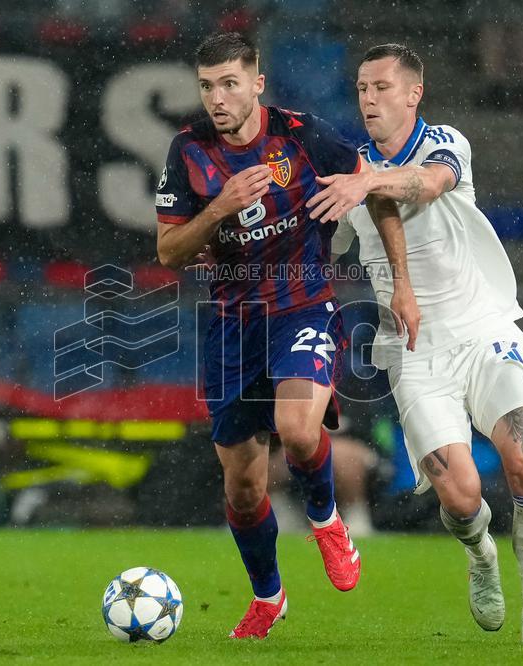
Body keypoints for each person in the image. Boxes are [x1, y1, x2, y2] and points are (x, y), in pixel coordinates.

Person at [307, 43, 523, 646]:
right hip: (414, 352)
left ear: (413, 93)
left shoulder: (444, 141)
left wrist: (364, 183)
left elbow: (428, 184)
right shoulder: (351, 181)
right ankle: (480, 555)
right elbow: (316, 257)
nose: (368, 99)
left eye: (380, 87)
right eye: (361, 89)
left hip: (485, 331)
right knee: (461, 493)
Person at [155, 31, 365, 639]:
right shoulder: (188, 150)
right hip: (231, 324)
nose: (217, 98)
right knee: (244, 488)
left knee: (299, 430)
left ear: (256, 83)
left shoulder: (302, 135)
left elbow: (367, 179)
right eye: (206, 86)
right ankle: (269, 598)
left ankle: (327, 522)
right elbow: (168, 251)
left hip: (303, 306)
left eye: (228, 83)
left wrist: (361, 187)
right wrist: (218, 209)